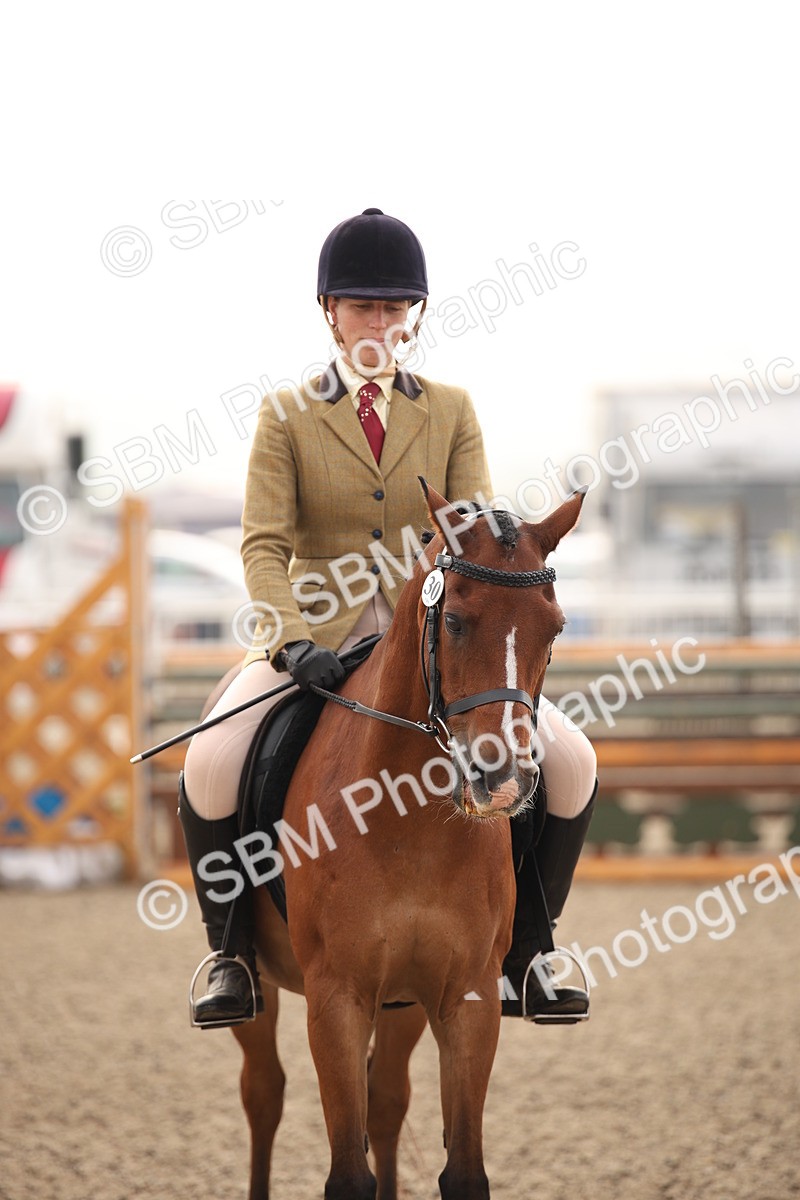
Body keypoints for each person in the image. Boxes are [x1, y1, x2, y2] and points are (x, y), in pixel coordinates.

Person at [178, 207, 597, 1028]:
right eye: (362, 306)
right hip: (317, 641)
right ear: (330, 312)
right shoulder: (286, 416)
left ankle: (532, 952)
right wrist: (293, 640)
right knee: (210, 760)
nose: (379, 322)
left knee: (573, 761)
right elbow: (264, 543)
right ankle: (229, 953)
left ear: (413, 316)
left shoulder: (450, 409)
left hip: (438, 644)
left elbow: (472, 532)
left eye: (392, 307)